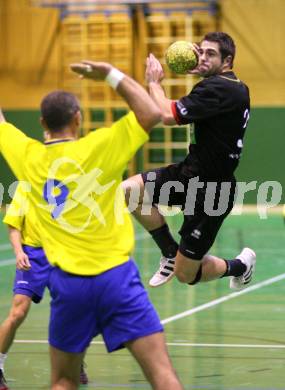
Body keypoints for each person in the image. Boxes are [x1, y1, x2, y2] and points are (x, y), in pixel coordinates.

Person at [0, 62, 183, 389]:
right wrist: (111, 74)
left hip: (68, 287)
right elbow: (153, 113)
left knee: (64, 381)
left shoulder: (27, 156)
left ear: (42, 123)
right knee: (163, 377)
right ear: (78, 118)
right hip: (117, 279)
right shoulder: (99, 147)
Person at [123, 32, 256, 289]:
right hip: (189, 174)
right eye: (201, 51)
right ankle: (170, 253)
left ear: (227, 61)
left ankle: (240, 265)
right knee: (129, 192)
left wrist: (154, 82)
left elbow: (166, 114)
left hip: (211, 192)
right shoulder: (232, 86)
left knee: (186, 275)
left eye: (211, 54)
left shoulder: (219, 88)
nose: (202, 57)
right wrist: (202, 72)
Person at [0, 183, 88, 390]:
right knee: (18, 311)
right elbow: (14, 224)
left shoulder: (72, 183)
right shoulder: (27, 185)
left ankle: (74, 363)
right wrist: (19, 251)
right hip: (34, 255)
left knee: (74, 312)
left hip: (64, 253)